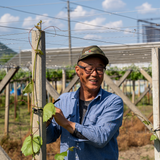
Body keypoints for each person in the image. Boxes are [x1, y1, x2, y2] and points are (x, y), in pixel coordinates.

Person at [46, 45, 123, 160]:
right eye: (89, 68)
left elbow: (101, 138)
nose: (95, 73)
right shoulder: (64, 100)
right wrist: (45, 124)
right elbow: (49, 138)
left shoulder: (112, 102)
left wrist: (67, 123)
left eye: (100, 68)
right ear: (78, 70)